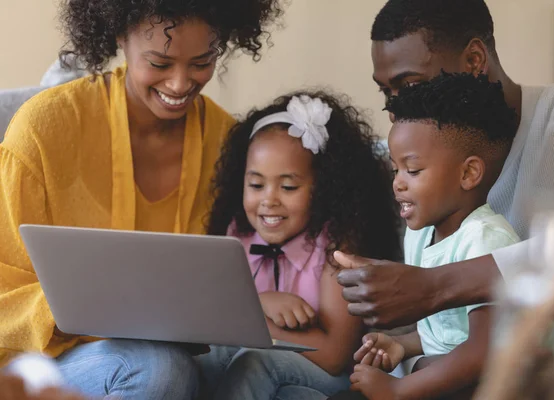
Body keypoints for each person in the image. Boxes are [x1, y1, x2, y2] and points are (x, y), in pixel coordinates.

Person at [0, 0, 283, 398]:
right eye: (160, 63)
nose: (181, 83)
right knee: (157, 369)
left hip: (182, 358)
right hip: (50, 358)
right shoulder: (44, 130)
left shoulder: (229, 143)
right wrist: (79, 312)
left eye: (201, 62)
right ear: (119, 36)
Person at [335, 0, 554, 343]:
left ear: (474, 61)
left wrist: (437, 285)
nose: (395, 109)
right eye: (387, 92)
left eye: (410, 86)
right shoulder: (409, 163)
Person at [199, 90, 401, 399]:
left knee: (254, 363)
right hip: (278, 384)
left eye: (288, 186)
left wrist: (255, 324)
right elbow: (211, 318)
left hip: (331, 376)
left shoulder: (336, 247)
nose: (269, 200)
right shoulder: (235, 235)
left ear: (323, 188)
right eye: (256, 184)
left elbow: (334, 356)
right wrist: (261, 302)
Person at [349, 72, 520, 399]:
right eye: (395, 168)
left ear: (468, 173)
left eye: (412, 170)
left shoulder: (485, 240)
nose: (398, 182)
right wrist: (401, 344)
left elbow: (481, 352)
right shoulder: (420, 234)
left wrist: (399, 390)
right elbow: (448, 333)